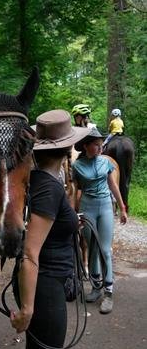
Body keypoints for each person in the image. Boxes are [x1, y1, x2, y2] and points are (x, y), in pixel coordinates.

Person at [10, 110, 90, 349]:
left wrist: (70, 221)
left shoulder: (39, 180)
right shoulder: (49, 187)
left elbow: (41, 229)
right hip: (44, 286)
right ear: (67, 149)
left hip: (46, 282)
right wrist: (27, 310)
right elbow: (31, 253)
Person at [72, 127, 127, 314]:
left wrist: (122, 208)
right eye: (96, 145)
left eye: (101, 145)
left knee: (105, 249)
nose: (100, 148)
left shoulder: (106, 163)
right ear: (86, 146)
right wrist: (74, 214)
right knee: (92, 248)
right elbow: (75, 191)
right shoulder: (77, 166)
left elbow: (113, 185)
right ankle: (96, 288)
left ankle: (108, 293)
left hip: (105, 206)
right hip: (87, 207)